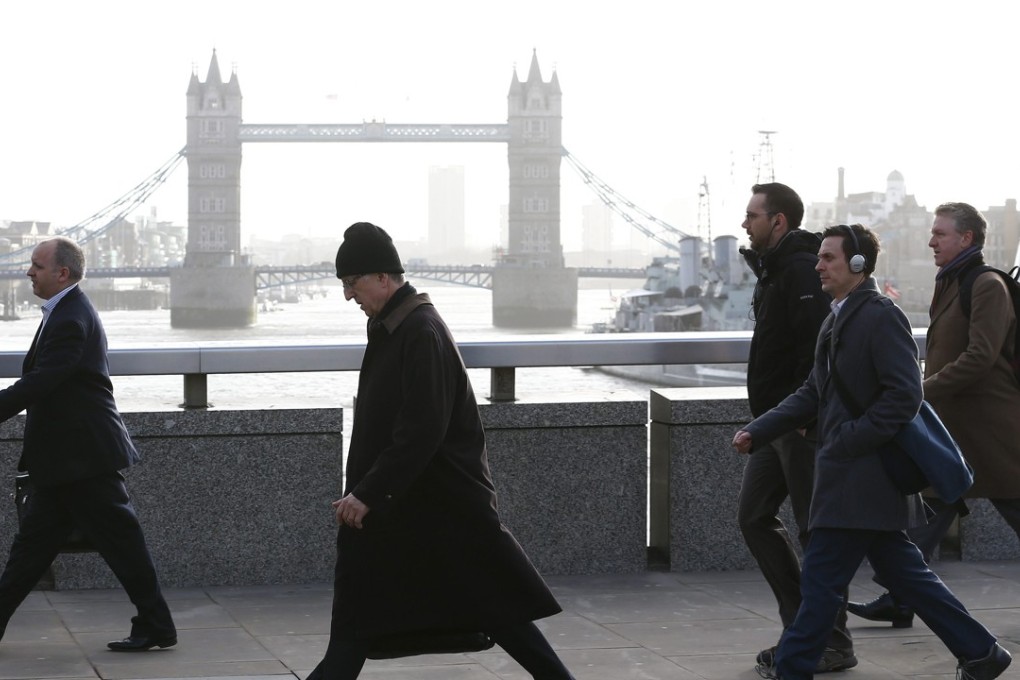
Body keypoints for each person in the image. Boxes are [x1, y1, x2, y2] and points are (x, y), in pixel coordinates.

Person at [733, 224, 1011, 680]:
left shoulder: (881, 315)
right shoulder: (836, 316)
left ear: (858, 264)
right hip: (854, 477)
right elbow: (813, 391)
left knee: (821, 582)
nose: (818, 266)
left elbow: (904, 396)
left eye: (828, 259)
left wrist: (846, 441)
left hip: (859, 477)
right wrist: (758, 430)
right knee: (907, 577)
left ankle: (792, 667)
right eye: (820, 258)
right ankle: (982, 653)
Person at [308, 222, 575, 680]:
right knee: (491, 610)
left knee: (490, 612)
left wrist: (369, 493)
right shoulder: (399, 326)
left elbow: (421, 429)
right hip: (420, 507)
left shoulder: (419, 331)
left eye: (351, 283)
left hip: (432, 507)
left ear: (383, 277)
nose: (349, 296)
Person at [848, 202, 1020, 627]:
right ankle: (901, 597)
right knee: (928, 512)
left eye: (940, 234)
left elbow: (980, 357)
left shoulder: (984, 284)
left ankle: (900, 596)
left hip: (993, 429)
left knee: (1013, 507)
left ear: (966, 238)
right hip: (956, 426)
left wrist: (920, 390)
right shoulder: (954, 281)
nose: (931, 241)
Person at [0, 237, 176, 651]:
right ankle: (156, 624)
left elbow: (42, 381)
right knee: (32, 551)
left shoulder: (68, 318)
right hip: (69, 459)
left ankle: (158, 624)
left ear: (61, 273)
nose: (29, 271)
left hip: (83, 458)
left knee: (123, 545)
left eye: (37, 265)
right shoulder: (65, 311)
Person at [737, 183, 855, 672]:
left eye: (752, 216)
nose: (744, 224)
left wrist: (805, 418)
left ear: (778, 221)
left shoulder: (800, 270)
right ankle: (801, 628)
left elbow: (819, 351)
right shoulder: (774, 269)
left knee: (817, 533)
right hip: (774, 423)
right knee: (753, 516)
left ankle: (831, 642)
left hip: (799, 425)